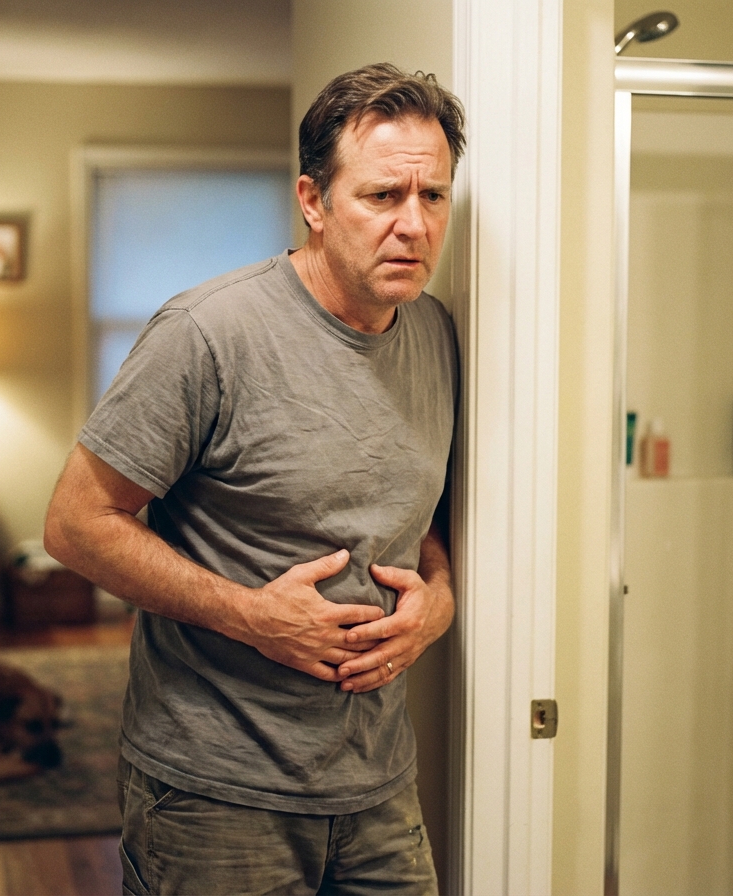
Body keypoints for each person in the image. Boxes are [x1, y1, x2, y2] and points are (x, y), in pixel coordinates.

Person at [44, 62, 465, 896]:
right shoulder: (207, 333)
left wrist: (441, 596)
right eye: (383, 197)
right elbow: (76, 524)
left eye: (435, 197)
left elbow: (410, 512)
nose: (413, 225)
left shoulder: (439, 335)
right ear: (313, 201)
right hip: (213, 790)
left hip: (378, 782)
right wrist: (252, 616)